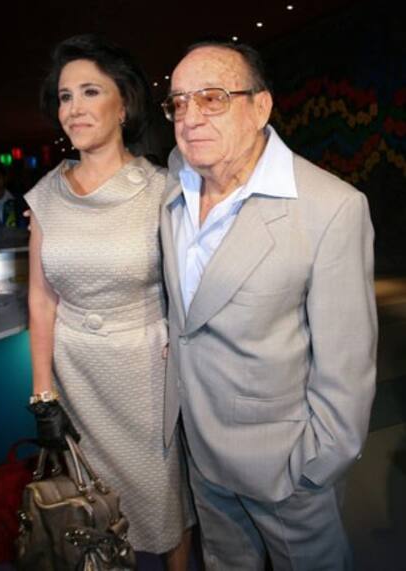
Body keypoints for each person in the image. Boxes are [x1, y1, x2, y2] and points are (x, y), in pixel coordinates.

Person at [160, 40, 377, 571]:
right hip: (200, 455)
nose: (190, 117)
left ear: (261, 107)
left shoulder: (331, 208)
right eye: (178, 103)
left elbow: (347, 368)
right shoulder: (175, 182)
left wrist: (311, 468)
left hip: (285, 470)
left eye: (212, 98)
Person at [26, 34, 193, 568]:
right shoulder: (44, 196)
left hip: (147, 370)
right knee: (90, 504)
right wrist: (43, 394)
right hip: (77, 372)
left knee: (164, 499)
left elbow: (190, 286)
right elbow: (41, 299)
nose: (73, 108)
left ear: (124, 105)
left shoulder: (162, 189)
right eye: (65, 96)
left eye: (90, 92)